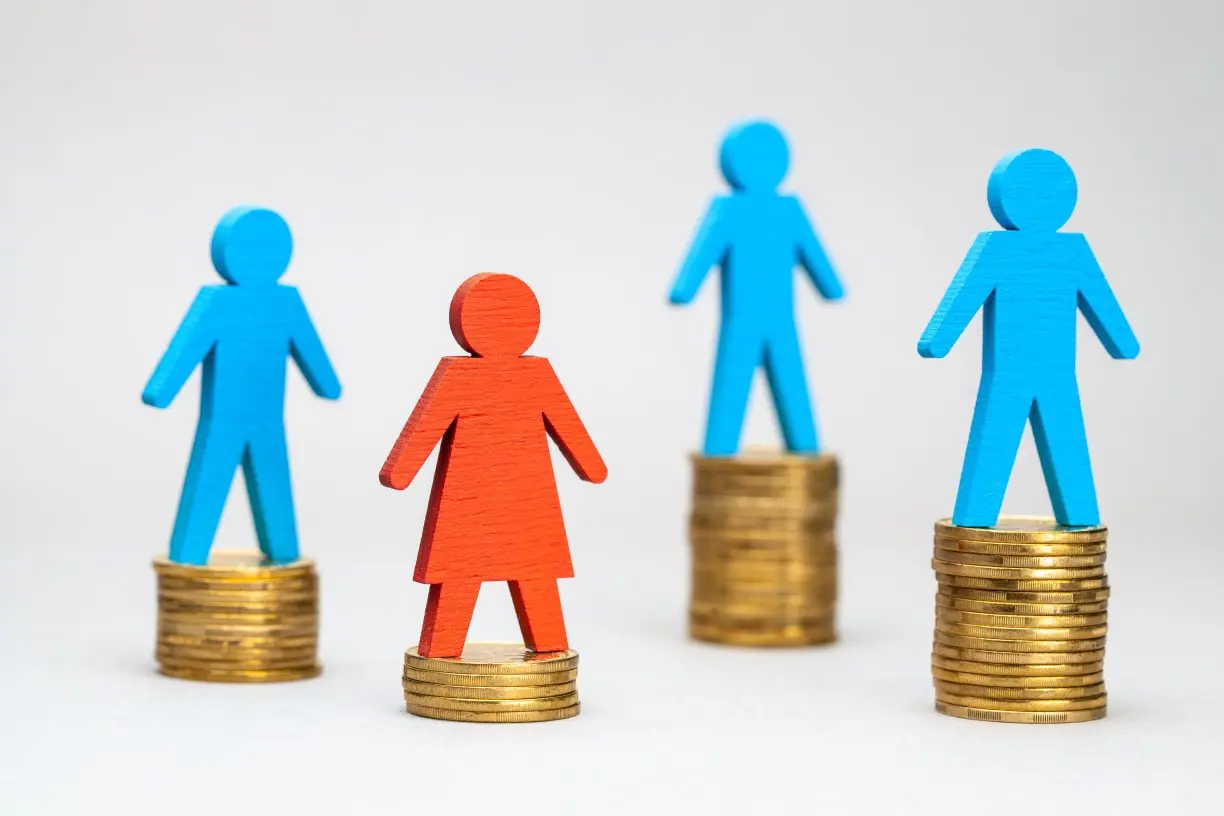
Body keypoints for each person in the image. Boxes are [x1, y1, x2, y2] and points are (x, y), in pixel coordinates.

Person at [380, 273, 607, 657]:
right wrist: (591, 467)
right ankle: (533, 646)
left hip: (482, 505)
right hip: (512, 505)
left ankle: (453, 650)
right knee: (524, 573)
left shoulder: (499, 374)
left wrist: (400, 472)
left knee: (475, 573)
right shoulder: (506, 374)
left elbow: (422, 432)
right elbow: (576, 438)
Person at [918, 149, 1140, 527]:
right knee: (1009, 439)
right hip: (1020, 372)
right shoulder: (1021, 249)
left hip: (1046, 373)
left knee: (1046, 442)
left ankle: (998, 517)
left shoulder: (1055, 250)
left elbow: (1103, 306)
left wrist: (938, 341)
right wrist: (1122, 343)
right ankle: (981, 518)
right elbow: (965, 298)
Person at [142, 207, 342, 565]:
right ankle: (199, 557)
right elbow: (321, 372)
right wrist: (162, 390)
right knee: (225, 481)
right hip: (235, 420)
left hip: (257, 420)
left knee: (253, 484)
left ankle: (263, 555)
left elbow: (314, 358)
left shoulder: (272, 301)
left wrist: (163, 390)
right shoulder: (244, 301)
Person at [669, 120, 845, 457]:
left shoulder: (743, 210)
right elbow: (822, 270)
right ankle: (787, 456)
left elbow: (699, 263)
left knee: (752, 389)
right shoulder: (771, 210)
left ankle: (732, 457)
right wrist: (830, 287)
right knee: (759, 387)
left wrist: (685, 289)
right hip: (762, 320)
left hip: (759, 321)